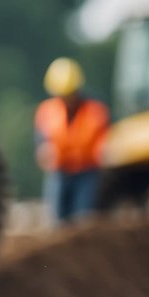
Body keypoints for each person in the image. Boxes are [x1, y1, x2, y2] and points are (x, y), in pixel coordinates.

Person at [34, 57, 110, 225]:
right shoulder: (47, 110)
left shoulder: (95, 110)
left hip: (87, 172)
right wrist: (43, 148)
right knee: (57, 219)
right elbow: (41, 138)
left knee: (83, 218)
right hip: (59, 172)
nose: (67, 100)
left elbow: (104, 138)